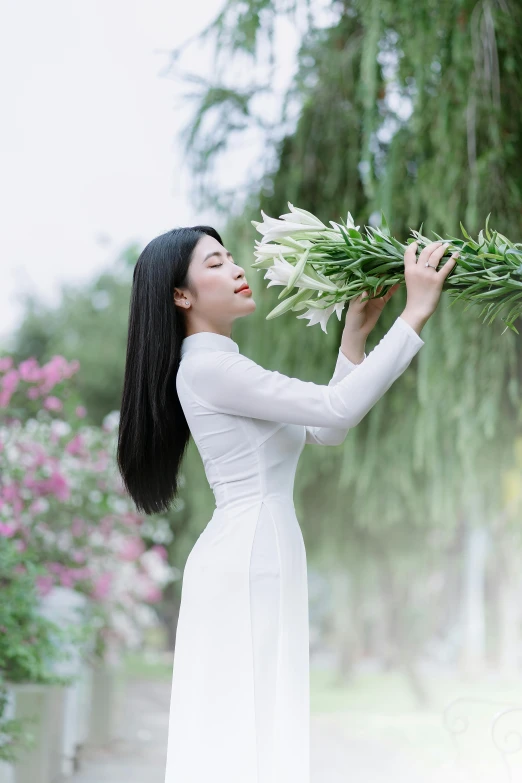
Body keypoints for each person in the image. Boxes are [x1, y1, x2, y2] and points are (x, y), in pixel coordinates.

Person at [116, 226, 459, 783]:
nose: (235, 269)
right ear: (181, 295)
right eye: (215, 263)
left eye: (231, 258)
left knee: (252, 718)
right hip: (250, 554)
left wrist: (353, 337)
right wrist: (414, 313)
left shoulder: (219, 365)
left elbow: (325, 429)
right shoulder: (210, 368)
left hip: (253, 547)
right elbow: (338, 408)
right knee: (248, 721)